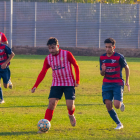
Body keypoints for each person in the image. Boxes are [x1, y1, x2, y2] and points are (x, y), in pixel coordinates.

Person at [31, 37, 80, 133]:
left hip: (69, 83)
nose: (51, 50)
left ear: (58, 46)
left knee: (70, 106)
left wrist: (77, 80)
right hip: (56, 83)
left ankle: (70, 114)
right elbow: (43, 72)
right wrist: (35, 85)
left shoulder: (67, 54)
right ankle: (44, 127)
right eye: (49, 48)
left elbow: (76, 65)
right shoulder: (48, 58)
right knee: (51, 103)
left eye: (53, 48)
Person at [99, 38, 130, 130]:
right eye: (106, 47)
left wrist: (127, 82)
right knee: (108, 105)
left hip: (117, 83)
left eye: (109, 47)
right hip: (106, 84)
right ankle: (119, 124)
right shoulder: (102, 58)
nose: (107, 49)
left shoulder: (119, 57)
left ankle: (120, 102)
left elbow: (127, 68)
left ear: (114, 47)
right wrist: (103, 71)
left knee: (117, 105)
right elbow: (101, 73)